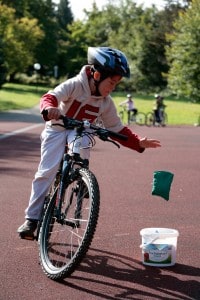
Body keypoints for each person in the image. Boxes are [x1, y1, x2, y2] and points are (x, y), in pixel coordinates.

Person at [17, 46, 161, 240]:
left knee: (84, 138)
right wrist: (50, 108)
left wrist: (138, 143)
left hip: (79, 132)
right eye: (112, 82)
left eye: (116, 83)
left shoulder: (106, 102)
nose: (113, 87)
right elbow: (50, 97)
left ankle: (80, 177)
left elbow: (117, 129)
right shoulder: (75, 85)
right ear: (98, 74)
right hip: (57, 129)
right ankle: (31, 219)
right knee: (46, 172)